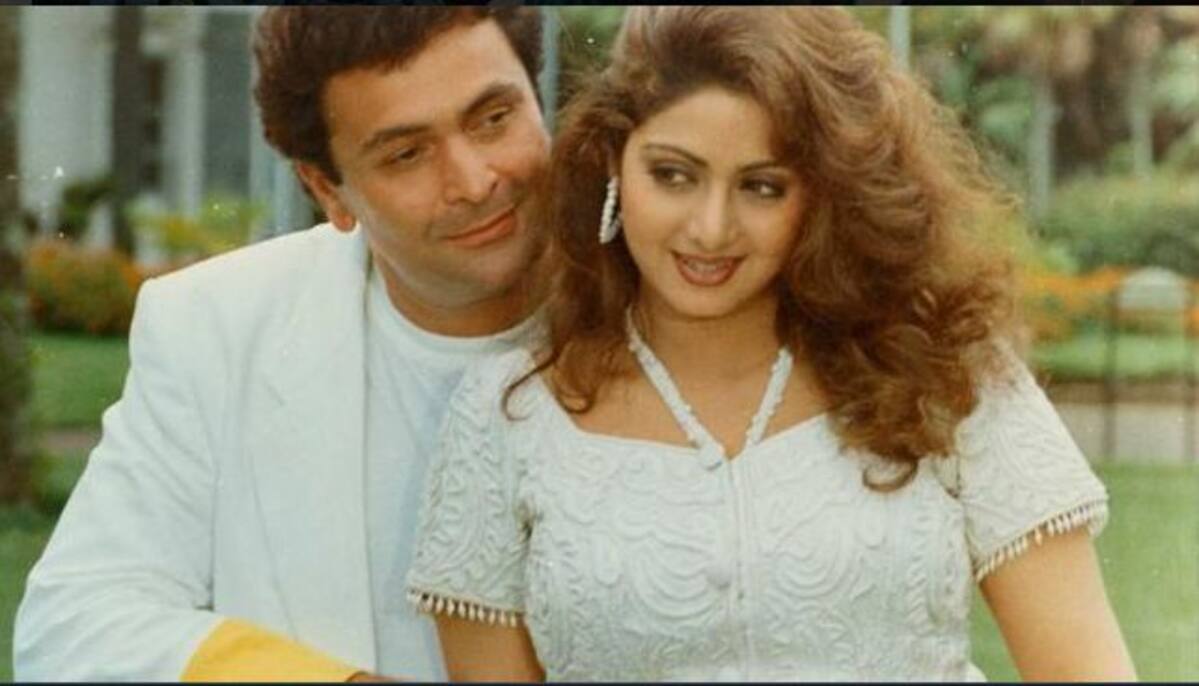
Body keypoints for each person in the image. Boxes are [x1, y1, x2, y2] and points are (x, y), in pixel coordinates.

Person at [404, 6, 1137, 681]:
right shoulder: (508, 416)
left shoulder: (946, 369)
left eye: (761, 186)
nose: (710, 228)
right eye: (673, 175)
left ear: (823, 193)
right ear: (612, 165)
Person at [14, 6, 550, 681]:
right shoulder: (217, 328)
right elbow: (73, 626)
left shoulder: (664, 303)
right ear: (327, 190)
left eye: (493, 119)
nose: (473, 182)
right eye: (406, 154)